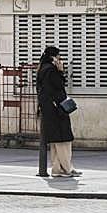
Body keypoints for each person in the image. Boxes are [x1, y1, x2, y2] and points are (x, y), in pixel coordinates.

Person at [37, 45, 80, 178]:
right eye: (58, 56)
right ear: (53, 57)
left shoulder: (42, 69)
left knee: (56, 141)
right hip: (57, 108)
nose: (60, 59)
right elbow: (58, 86)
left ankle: (57, 169)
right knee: (64, 140)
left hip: (49, 108)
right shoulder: (51, 70)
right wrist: (60, 71)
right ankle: (67, 169)